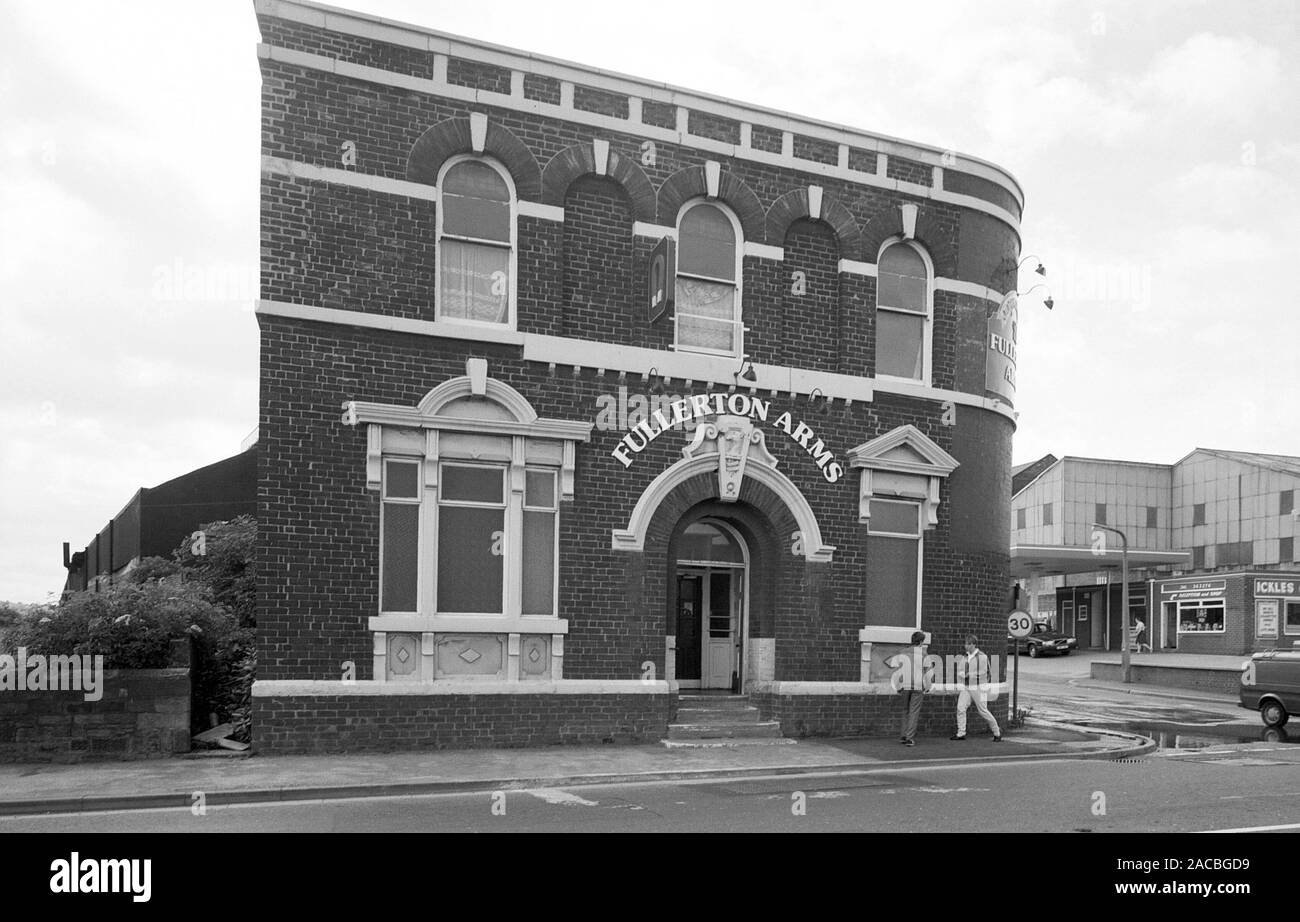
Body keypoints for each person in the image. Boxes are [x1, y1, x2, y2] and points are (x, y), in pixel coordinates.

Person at [951, 634, 1001, 742]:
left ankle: (997, 733)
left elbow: (986, 672)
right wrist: (962, 675)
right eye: (965, 644)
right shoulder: (964, 656)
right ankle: (961, 733)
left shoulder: (982, 656)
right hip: (967, 686)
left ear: (973, 644)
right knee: (960, 708)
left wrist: (970, 674)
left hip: (979, 687)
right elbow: (960, 669)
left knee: (983, 711)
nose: (965, 646)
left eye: (968, 644)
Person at [889, 631, 934, 746]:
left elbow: (896, 671)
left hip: (905, 685)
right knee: (914, 711)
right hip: (918, 686)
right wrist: (928, 686)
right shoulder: (924, 654)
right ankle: (909, 738)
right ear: (920, 642)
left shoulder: (903, 653)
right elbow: (929, 672)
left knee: (905, 710)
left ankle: (903, 735)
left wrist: (897, 686)